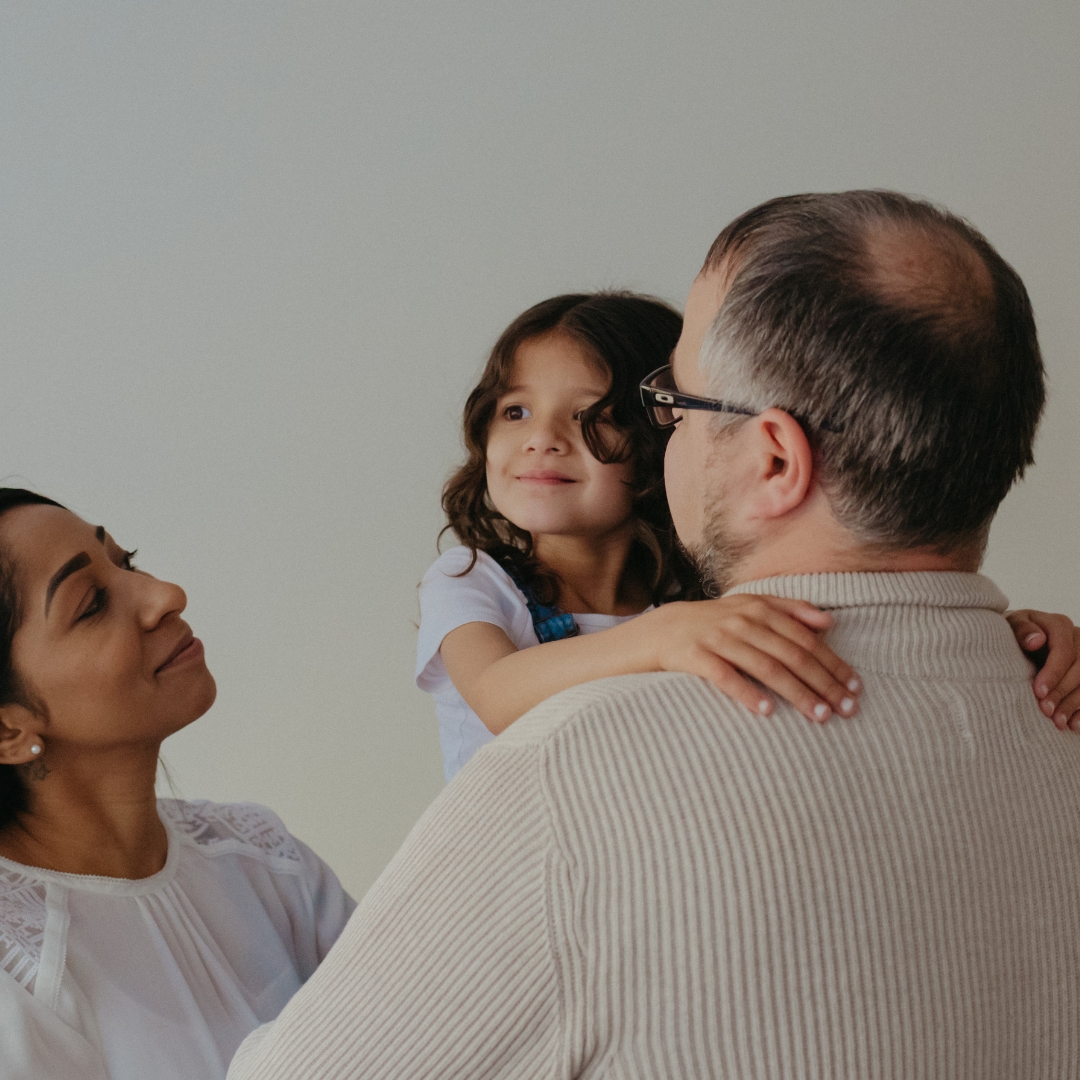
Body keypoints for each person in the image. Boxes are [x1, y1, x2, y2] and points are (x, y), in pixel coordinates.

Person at [230, 190, 1080, 1080]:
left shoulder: (569, 780)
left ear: (775, 460)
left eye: (671, 403)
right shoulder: (1048, 696)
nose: (661, 432)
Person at [419, 291, 1072, 779]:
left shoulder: (703, 594)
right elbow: (500, 695)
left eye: (596, 415)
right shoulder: (473, 581)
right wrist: (661, 635)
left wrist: (1010, 642)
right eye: (516, 410)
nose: (541, 438)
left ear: (663, 435)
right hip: (502, 887)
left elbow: (857, 632)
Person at [0, 489, 354, 1080]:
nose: (167, 595)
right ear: (8, 728)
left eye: (126, 560)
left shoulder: (265, 859)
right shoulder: (16, 977)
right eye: (91, 604)